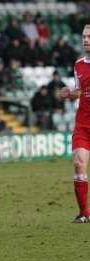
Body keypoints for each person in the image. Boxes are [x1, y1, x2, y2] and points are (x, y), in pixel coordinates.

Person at [60, 24, 90, 223]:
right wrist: (69, 94)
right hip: (83, 124)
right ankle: (84, 213)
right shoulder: (78, 64)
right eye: (84, 37)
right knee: (79, 164)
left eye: (89, 37)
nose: (86, 40)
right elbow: (80, 91)